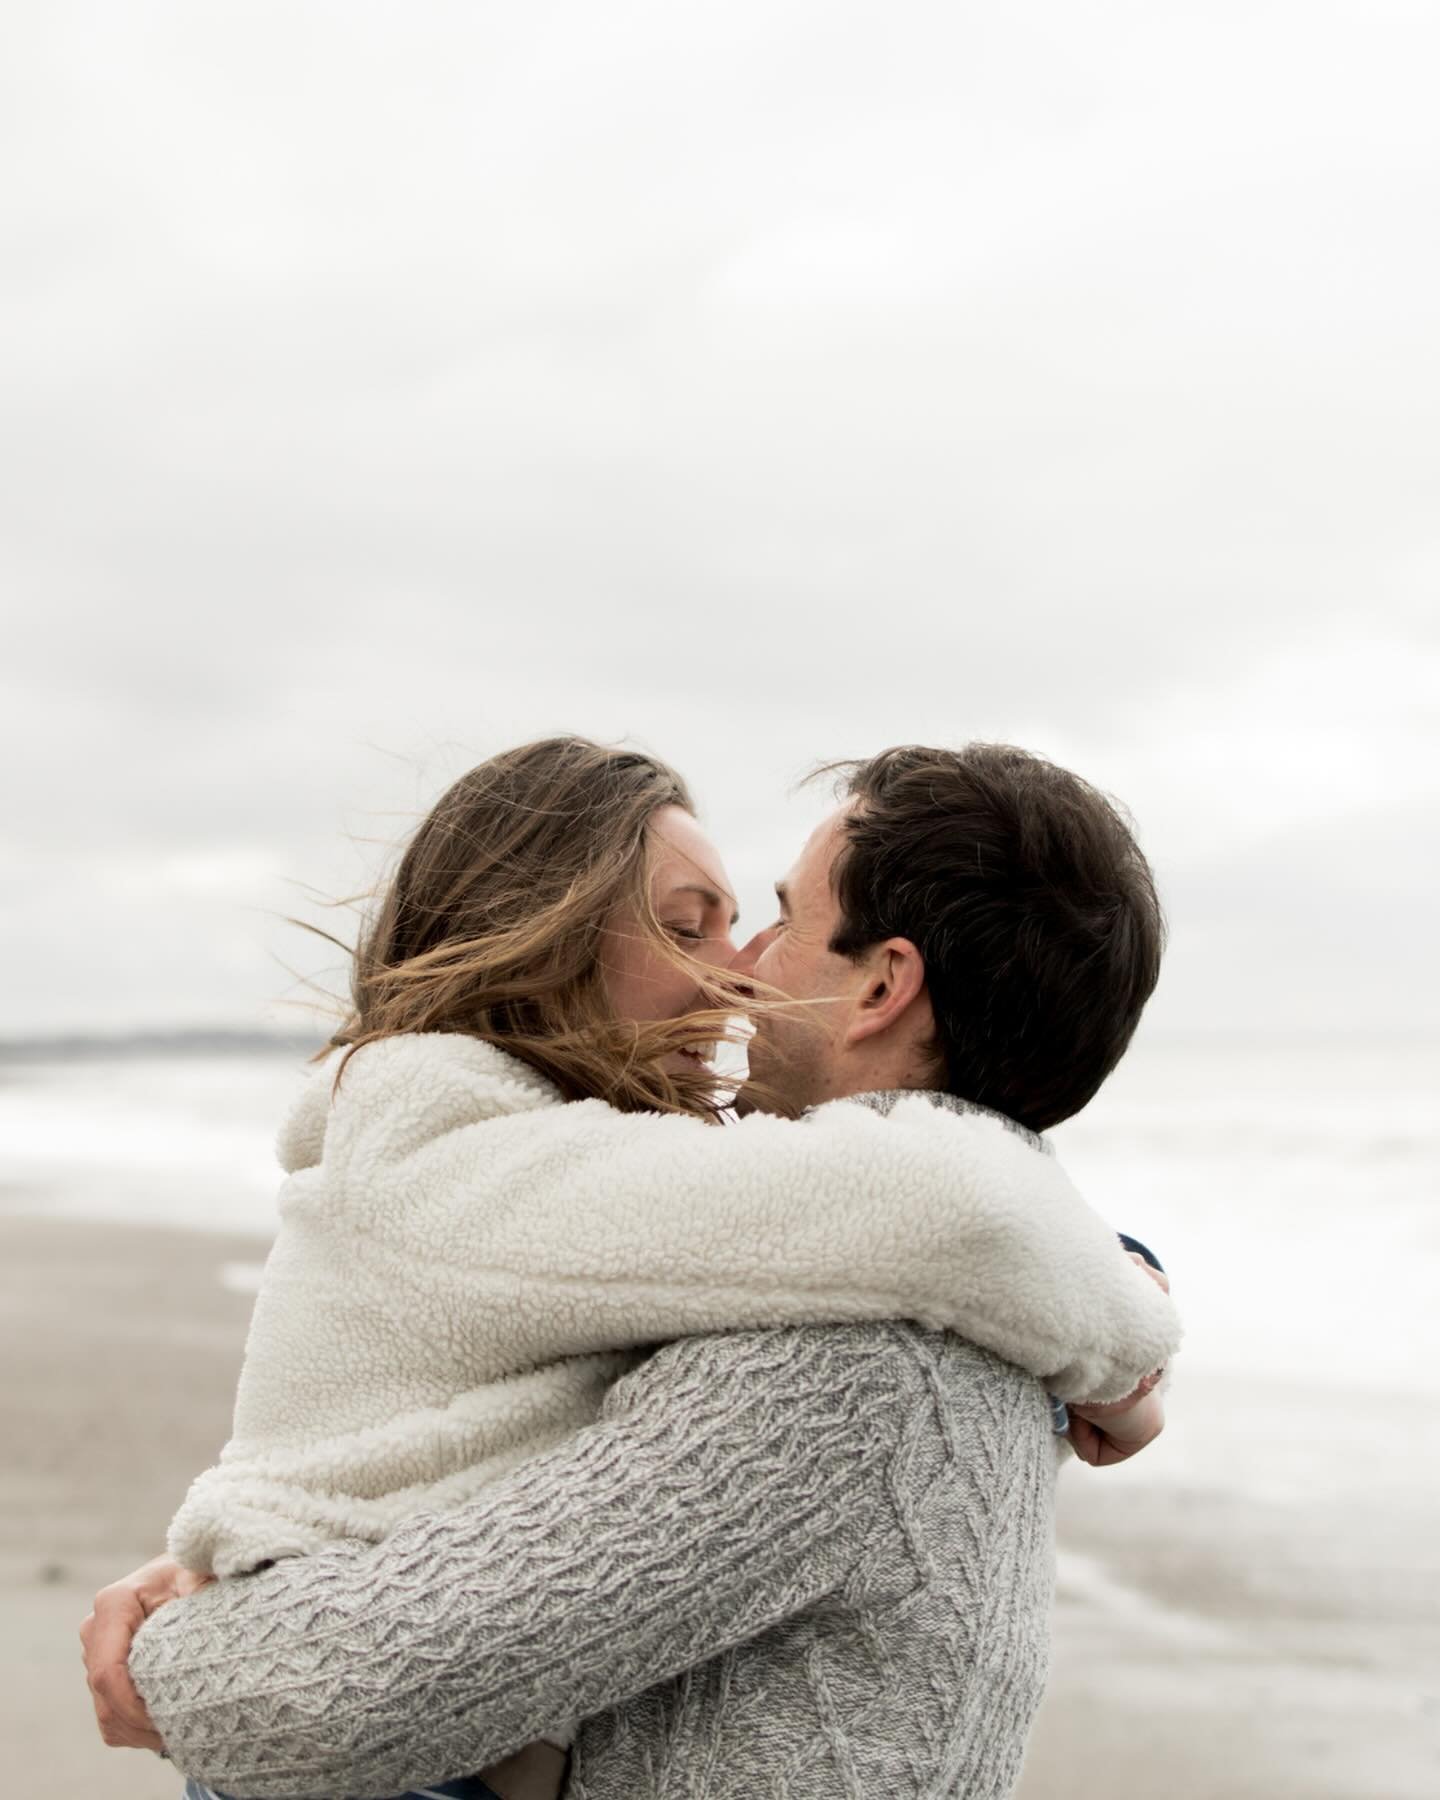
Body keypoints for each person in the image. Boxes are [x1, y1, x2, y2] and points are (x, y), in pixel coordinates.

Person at [84, 737, 1178, 1800]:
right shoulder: (459, 1154)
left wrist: (177, 1653)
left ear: (885, 986)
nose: (742, 971)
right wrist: (1123, 1335)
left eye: (772, 921)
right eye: (688, 928)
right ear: (549, 940)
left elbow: (945, 1211)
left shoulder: (843, 1363)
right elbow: (948, 1210)